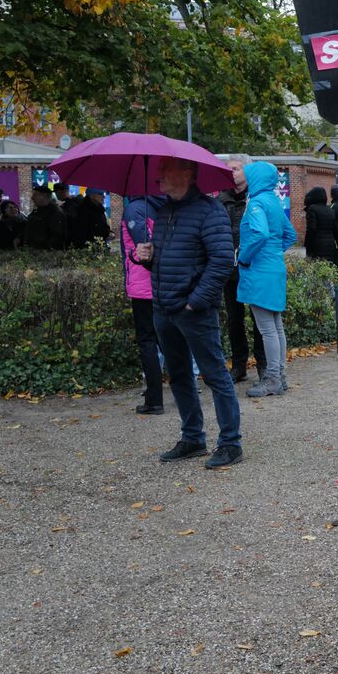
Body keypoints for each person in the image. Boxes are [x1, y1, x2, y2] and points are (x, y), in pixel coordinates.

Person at [132, 157, 242, 470]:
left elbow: (222, 261)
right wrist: (143, 256)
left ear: (187, 172)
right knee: (179, 375)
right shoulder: (165, 211)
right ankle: (193, 437)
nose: (158, 176)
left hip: (194, 311)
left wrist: (196, 301)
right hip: (163, 308)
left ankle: (230, 443)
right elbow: (166, 261)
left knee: (215, 375)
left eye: (165, 170)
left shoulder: (210, 211)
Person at [238, 162, 299, 397]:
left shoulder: (256, 202)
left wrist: (244, 258)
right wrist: (274, 252)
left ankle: (272, 378)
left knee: (267, 329)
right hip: (274, 268)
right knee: (276, 326)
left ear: (255, 178)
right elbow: (290, 235)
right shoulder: (274, 201)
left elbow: (260, 233)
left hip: (259, 272)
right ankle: (280, 375)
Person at [218, 155, 265, 383]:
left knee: (259, 317)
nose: (233, 172)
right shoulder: (220, 200)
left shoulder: (256, 198)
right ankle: (239, 365)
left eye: (236, 168)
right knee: (234, 319)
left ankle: (263, 364)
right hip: (230, 268)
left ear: (247, 172)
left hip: (253, 266)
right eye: (229, 169)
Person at [121, 195, 166, 415]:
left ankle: (154, 399)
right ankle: (182, 387)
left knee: (147, 341)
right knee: (167, 339)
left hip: (142, 286)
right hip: (164, 282)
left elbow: (144, 250)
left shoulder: (135, 209)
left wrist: (131, 253)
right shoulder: (167, 207)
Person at [24, 185, 68, 250]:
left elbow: (57, 236)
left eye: (35, 195)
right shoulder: (37, 211)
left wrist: (44, 248)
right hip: (34, 251)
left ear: (43, 196)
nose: (32, 198)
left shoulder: (55, 212)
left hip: (45, 254)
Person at [302, 186, 338, 264]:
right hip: (330, 245)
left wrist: (307, 244)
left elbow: (311, 229)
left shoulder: (312, 209)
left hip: (317, 245)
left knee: (316, 269)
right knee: (328, 268)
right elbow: (335, 228)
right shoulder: (330, 209)